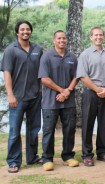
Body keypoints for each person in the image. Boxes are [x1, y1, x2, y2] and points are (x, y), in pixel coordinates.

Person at [0, 20, 43, 173]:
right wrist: (10, 95)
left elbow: (41, 72)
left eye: (28, 29)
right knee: (14, 131)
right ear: (17, 32)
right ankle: (13, 161)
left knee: (34, 129)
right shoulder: (11, 50)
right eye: (22, 29)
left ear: (31, 32)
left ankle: (32, 157)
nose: (26, 32)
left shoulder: (38, 49)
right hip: (17, 98)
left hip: (35, 97)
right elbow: (7, 74)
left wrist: (40, 90)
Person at [77, 26, 105, 166]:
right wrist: (97, 89)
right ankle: (87, 154)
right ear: (91, 37)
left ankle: (102, 152)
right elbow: (83, 76)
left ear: (104, 37)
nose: (98, 37)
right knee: (88, 124)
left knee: (104, 124)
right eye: (96, 35)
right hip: (90, 93)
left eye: (101, 35)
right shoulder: (85, 55)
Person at [38, 30, 79, 171]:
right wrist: (62, 90)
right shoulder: (47, 57)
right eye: (59, 38)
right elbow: (44, 79)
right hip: (50, 102)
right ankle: (47, 158)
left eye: (64, 38)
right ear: (54, 40)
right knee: (48, 130)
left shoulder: (72, 57)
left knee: (69, 129)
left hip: (68, 101)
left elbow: (76, 77)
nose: (62, 40)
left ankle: (68, 156)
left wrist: (67, 91)